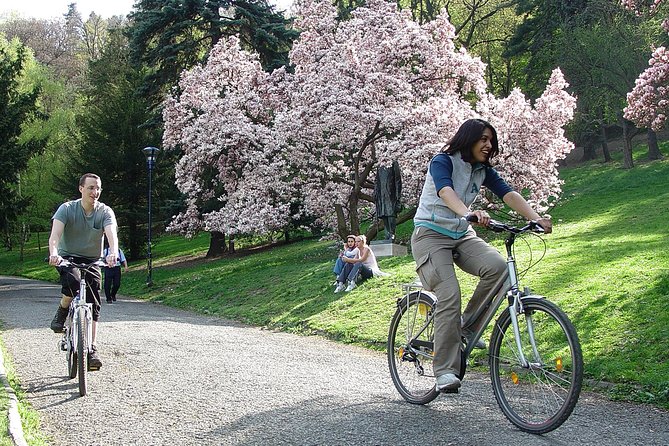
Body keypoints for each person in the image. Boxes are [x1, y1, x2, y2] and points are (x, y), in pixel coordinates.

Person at [411, 119, 552, 393]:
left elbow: (508, 194)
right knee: (450, 293)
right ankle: (444, 372)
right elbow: (445, 190)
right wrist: (466, 212)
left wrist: (536, 218)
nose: (489, 146)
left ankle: (464, 328)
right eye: (484, 139)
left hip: (461, 235)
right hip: (430, 234)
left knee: (499, 268)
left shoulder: (482, 170)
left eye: (491, 141)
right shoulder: (443, 161)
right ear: (469, 139)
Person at [48, 173, 119, 370]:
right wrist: (53, 253)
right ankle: (62, 311)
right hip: (67, 257)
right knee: (72, 282)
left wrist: (113, 253)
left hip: (93, 260)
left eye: (98, 188)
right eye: (90, 188)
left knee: (94, 299)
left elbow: (111, 234)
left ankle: (92, 348)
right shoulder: (67, 209)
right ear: (81, 189)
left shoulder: (105, 211)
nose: (94, 192)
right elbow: (55, 236)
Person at [374, 160, 402, 241]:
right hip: (382, 193)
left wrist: (398, 195)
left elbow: (398, 180)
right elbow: (376, 180)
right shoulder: (379, 165)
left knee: (391, 214)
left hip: (391, 193)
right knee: (384, 215)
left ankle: (392, 233)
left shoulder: (394, 162)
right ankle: (387, 234)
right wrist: (375, 191)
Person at [102, 238, 128, 303]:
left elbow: (123, 259)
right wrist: (107, 263)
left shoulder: (119, 251)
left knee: (117, 284)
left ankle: (113, 294)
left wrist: (126, 267)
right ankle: (108, 298)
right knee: (107, 284)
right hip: (108, 268)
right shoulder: (106, 251)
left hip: (117, 268)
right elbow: (102, 260)